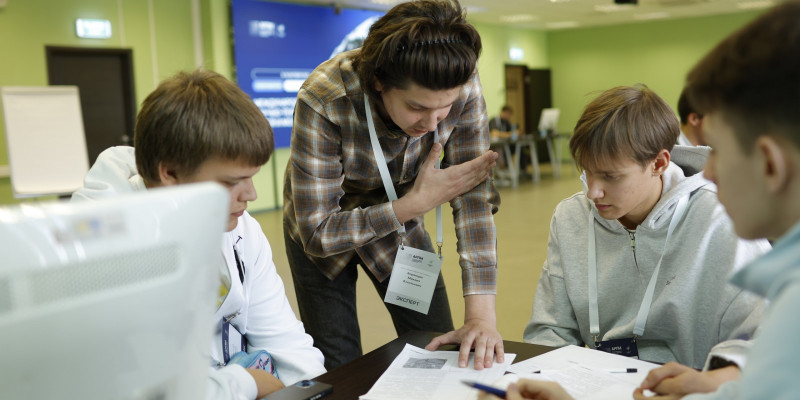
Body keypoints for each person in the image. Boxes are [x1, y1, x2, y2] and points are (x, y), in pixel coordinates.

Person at [72, 70, 326, 400]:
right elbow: (140, 388)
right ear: (170, 173)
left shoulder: (242, 228)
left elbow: (284, 340)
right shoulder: (103, 250)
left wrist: (312, 390)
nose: (251, 195)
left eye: (251, 177)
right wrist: (245, 383)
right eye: (232, 182)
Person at [283, 0, 503, 371]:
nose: (432, 124)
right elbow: (317, 232)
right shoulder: (324, 98)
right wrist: (412, 206)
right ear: (379, 82)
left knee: (434, 346)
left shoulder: (458, 84)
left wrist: (481, 317)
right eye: (417, 107)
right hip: (323, 221)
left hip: (400, 218)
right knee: (337, 362)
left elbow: (473, 197)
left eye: (444, 108)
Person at [523, 84, 769, 370]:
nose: (593, 192)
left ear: (659, 163)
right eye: (588, 172)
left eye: (611, 176)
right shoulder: (571, 217)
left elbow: (774, 330)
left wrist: (717, 377)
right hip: (596, 381)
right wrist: (546, 376)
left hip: (690, 382)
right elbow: (550, 329)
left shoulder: (722, 217)